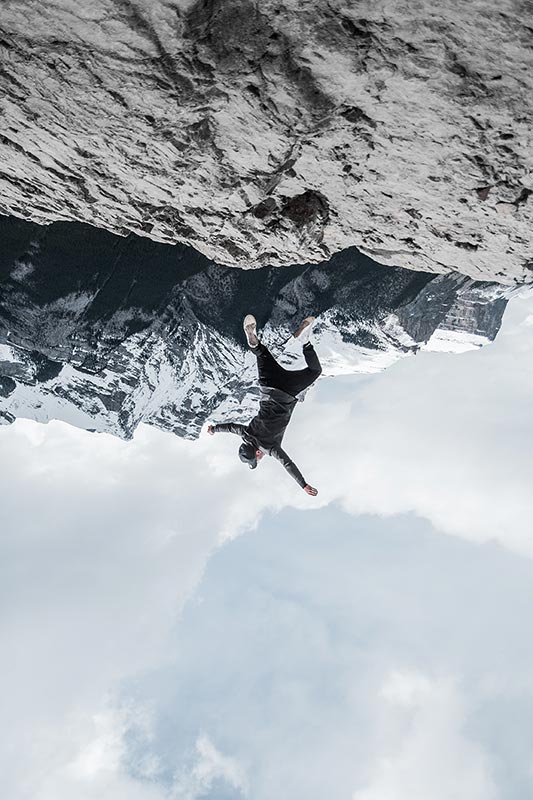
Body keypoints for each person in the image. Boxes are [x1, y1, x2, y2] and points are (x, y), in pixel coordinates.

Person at [207, 314, 322, 495]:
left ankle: (305, 341)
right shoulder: (246, 433)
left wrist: (303, 485)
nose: (260, 458)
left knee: (315, 371)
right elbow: (230, 427)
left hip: (287, 391)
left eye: (258, 459)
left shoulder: (269, 448)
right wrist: (214, 429)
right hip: (267, 387)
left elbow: (287, 464)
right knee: (261, 353)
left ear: (257, 454)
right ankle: (253, 340)